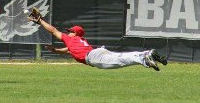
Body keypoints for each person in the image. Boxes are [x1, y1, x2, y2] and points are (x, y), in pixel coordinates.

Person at [28, 16, 167, 71]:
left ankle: (144, 59)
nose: (68, 32)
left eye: (71, 31)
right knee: (120, 57)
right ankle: (147, 53)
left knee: (121, 61)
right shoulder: (77, 41)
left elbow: (53, 30)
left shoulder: (70, 38)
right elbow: (69, 50)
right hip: (96, 52)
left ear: (76, 33)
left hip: (93, 57)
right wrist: (57, 51)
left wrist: (40, 21)